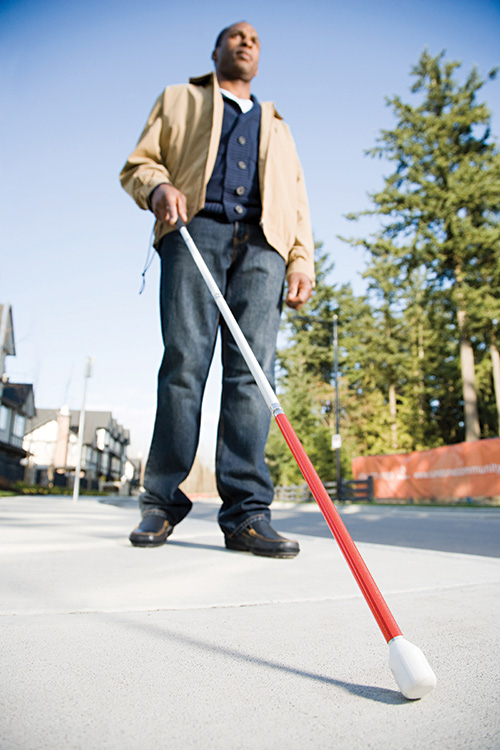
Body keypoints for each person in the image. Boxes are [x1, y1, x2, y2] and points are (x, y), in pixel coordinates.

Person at [120, 21, 315, 558]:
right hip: (193, 231)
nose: (247, 42)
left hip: (265, 249)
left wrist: (300, 260)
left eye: (255, 38)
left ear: (260, 56)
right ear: (216, 50)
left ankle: (247, 515)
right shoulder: (179, 98)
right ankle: (160, 502)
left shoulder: (278, 126)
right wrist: (158, 186)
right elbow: (141, 163)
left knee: (253, 377)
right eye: (236, 35)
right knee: (185, 363)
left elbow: (297, 203)